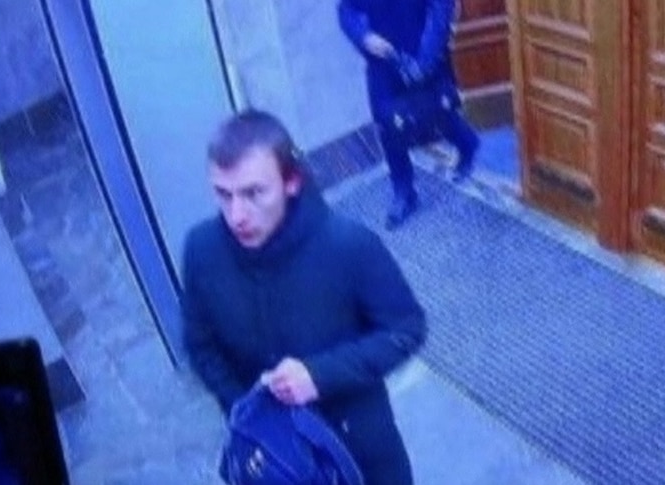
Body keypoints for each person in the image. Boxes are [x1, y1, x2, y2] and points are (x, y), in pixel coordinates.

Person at [182, 110, 427, 485]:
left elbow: (406, 329)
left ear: (291, 181)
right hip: (273, 459)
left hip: (361, 451)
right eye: (223, 194)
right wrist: (247, 409)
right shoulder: (201, 250)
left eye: (253, 193)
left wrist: (319, 375)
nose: (237, 215)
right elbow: (200, 345)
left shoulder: (349, 245)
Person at [338, 0, 480, 230]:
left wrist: (423, 62)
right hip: (383, 62)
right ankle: (404, 192)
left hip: (425, 52)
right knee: (388, 125)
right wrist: (363, 36)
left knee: (436, 112)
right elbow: (347, 10)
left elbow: (441, 8)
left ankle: (467, 143)